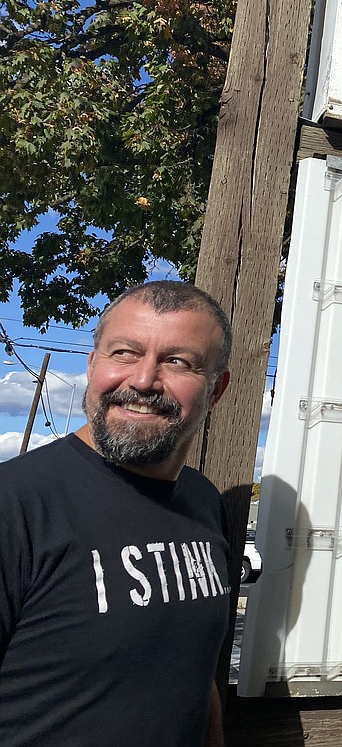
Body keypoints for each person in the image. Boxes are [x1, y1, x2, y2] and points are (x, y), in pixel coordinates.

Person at [0, 281, 234, 746]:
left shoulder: (205, 502)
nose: (144, 380)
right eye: (125, 353)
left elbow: (195, 676)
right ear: (92, 365)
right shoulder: (15, 505)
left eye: (178, 361)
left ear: (217, 388)